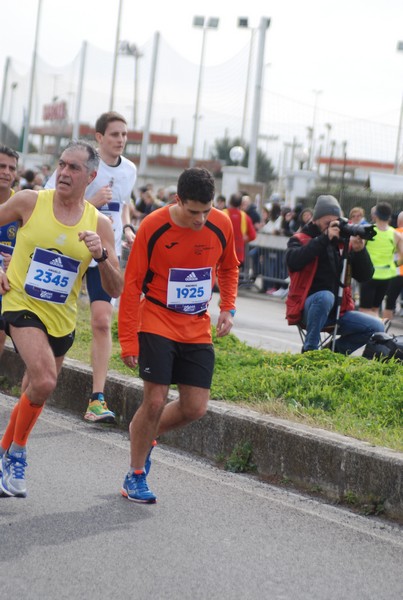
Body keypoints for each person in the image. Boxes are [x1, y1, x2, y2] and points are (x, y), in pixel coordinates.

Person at [0, 140, 123, 497]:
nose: (64, 173)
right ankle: (18, 454)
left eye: (74, 168)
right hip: (21, 302)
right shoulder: (29, 201)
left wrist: (101, 257)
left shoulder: (98, 224)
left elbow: (114, 287)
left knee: (32, 389)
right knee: (45, 381)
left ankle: (6, 452)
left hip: (62, 319)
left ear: (91, 176)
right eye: (62, 165)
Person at [118, 167, 239, 503]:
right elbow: (131, 286)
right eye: (193, 211)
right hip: (156, 317)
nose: (201, 219)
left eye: (206, 210)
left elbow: (229, 267)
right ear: (177, 200)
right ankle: (136, 475)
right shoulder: (154, 226)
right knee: (154, 400)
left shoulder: (222, 223)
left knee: (195, 408)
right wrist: (128, 340)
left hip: (196, 325)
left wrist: (228, 308)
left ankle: (143, 432)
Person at [46, 111, 137, 424]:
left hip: (101, 248)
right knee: (51, 313)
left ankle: (97, 398)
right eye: (114, 135)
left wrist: (126, 229)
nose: (121, 140)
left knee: (101, 320)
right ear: (99, 138)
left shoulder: (129, 170)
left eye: (124, 135)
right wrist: (92, 201)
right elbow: (52, 202)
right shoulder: (76, 163)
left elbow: (123, 206)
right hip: (67, 246)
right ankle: (39, 375)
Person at [285, 194, 384, 353]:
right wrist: (324, 238)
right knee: (325, 296)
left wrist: (360, 251)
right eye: (327, 223)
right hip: (307, 309)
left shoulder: (343, 242)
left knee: (376, 326)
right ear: (316, 220)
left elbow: (365, 276)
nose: (332, 226)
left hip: (338, 311)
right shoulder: (301, 238)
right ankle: (310, 352)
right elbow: (293, 262)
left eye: (335, 222)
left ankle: (331, 352)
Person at [359, 202, 403, 322]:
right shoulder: (396, 234)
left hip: (369, 274)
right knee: (375, 309)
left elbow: (359, 250)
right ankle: (379, 331)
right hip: (386, 276)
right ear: (389, 217)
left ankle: (374, 329)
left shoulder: (368, 231)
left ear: (375, 215)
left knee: (364, 311)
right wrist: (394, 265)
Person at [0, 145, 20, 359]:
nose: (6, 172)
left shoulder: (23, 205)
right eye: (1, 166)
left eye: (11, 168)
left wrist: (15, 259)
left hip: (6, 282)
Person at [223, 193, 256, 269]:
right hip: (238, 254)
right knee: (234, 277)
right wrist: (243, 239)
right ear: (240, 204)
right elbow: (253, 235)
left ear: (229, 202)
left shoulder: (223, 213)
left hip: (223, 252)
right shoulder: (244, 216)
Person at [385, 210, 403, 318]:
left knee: (390, 303)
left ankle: (385, 328)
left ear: (398, 221)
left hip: (396, 272)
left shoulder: (394, 233)